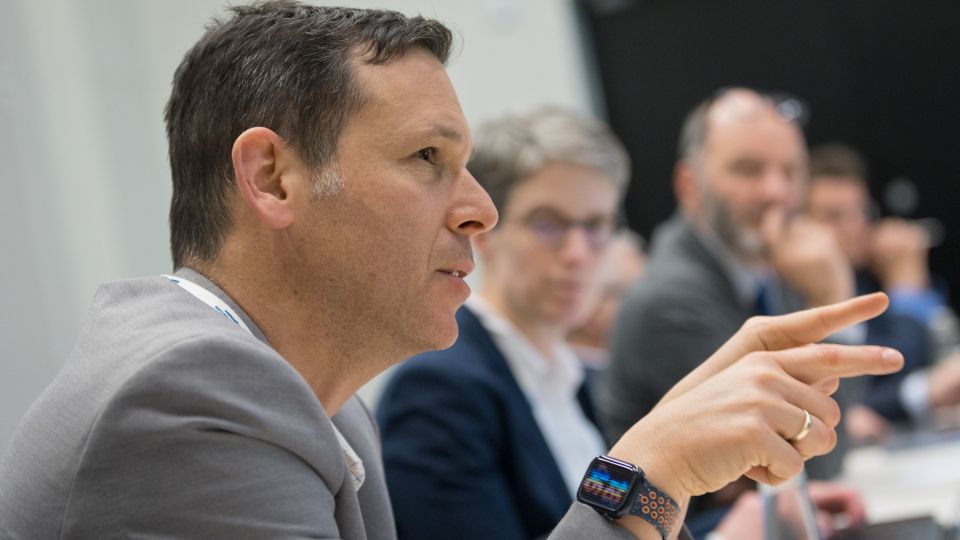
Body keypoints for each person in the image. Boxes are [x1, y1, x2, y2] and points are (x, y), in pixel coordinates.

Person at [0, 5, 902, 539]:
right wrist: (645, 473)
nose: (481, 209)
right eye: (427, 157)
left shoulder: (309, 397)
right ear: (273, 177)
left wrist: (662, 452)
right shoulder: (186, 393)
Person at [598, 88, 864, 533]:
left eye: (790, 171)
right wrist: (831, 294)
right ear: (690, 187)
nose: (776, 191)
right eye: (748, 170)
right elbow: (812, 460)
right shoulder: (672, 300)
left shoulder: (764, 267)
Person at [806, 143, 960, 440]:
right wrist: (907, 289)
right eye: (834, 216)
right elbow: (881, 376)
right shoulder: (791, 293)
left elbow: (936, 356)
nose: (854, 229)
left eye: (860, 212)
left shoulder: (869, 279)